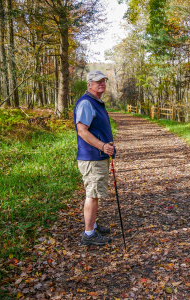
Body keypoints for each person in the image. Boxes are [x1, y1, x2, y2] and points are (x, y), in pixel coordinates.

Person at [73, 70, 116, 246]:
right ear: (89, 84)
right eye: (98, 81)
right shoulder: (86, 103)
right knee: (92, 195)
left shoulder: (96, 103)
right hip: (92, 157)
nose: (102, 84)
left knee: (95, 194)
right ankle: (88, 234)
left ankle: (93, 225)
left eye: (103, 81)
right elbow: (82, 130)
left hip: (98, 156)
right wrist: (102, 146)